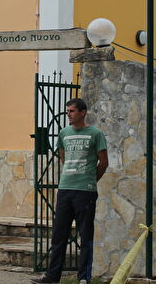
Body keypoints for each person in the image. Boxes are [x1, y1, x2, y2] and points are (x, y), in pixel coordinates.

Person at [31, 98, 108, 284]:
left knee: (85, 236)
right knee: (59, 234)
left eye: (72, 111)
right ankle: (52, 276)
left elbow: (103, 163)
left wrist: (90, 180)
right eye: (67, 111)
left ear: (83, 112)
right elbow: (63, 158)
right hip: (65, 189)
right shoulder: (63, 133)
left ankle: (83, 278)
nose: (69, 115)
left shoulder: (96, 134)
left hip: (85, 192)